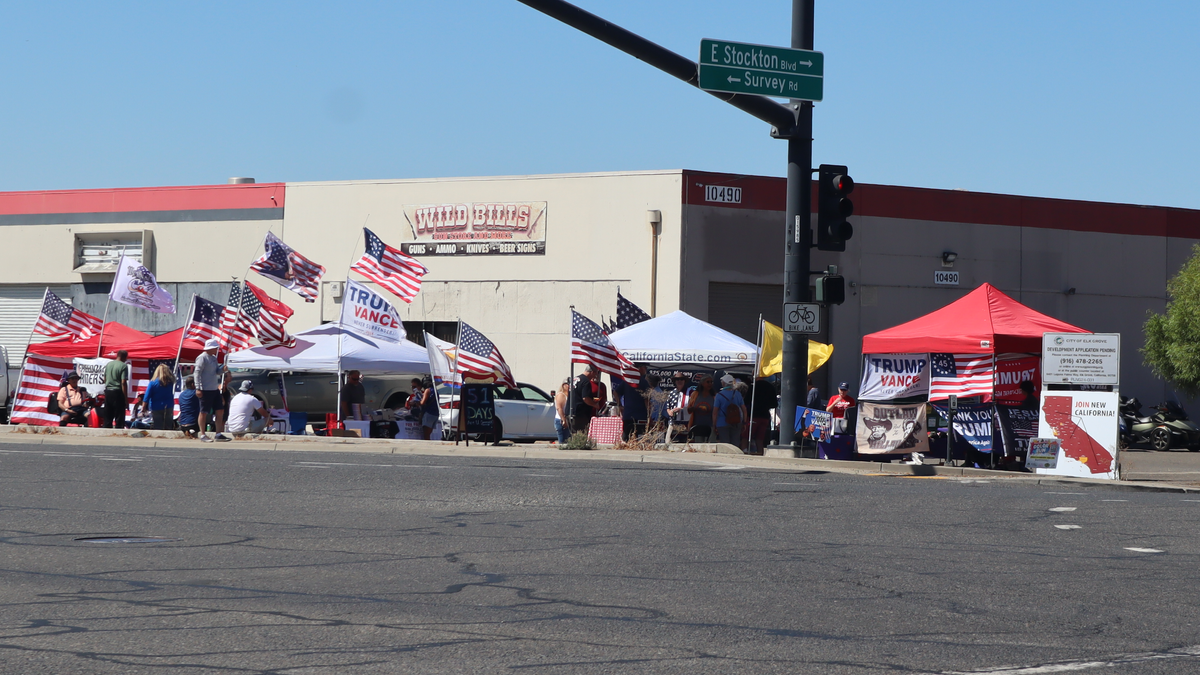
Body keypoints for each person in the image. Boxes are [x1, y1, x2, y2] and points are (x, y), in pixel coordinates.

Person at [195, 338, 229, 442]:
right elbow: (197, 373)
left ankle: (218, 433)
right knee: (204, 412)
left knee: (220, 410)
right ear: (210, 348)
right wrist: (198, 388)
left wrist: (222, 370)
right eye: (215, 348)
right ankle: (202, 434)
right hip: (205, 389)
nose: (216, 350)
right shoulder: (202, 358)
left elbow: (216, 372)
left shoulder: (214, 358)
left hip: (214, 389)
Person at [611, 365, 649, 441]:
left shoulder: (627, 381)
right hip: (640, 414)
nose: (646, 370)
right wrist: (649, 412)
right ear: (639, 369)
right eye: (645, 367)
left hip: (628, 414)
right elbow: (647, 399)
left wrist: (620, 405)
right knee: (639, 438)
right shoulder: (644, 382)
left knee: (627, 438)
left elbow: (615, 392)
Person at [713, 373, 747, 447]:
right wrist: (744, 422)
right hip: (736, 422)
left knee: (725, 445)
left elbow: (715, 412)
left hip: (722, 423)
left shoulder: (719, 395)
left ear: (724, 383)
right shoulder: (737, 394)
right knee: (735, 443)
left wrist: (714, 425)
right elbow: (744, 409)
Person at [749, 376, 778, 455]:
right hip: (765, 416)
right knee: (760, 438)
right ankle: (760, 453)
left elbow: (746, 402)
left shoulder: (752, 387)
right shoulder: (770, 387)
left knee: (747, 436)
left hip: (753, 415)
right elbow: (774, 404)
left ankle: (745, 452)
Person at [143, 364, 176, 430]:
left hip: (156, 407)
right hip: (169, 406)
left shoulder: (153, 382)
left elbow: (147, 396)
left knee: (158, 426)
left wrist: (143, 406)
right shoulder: (170, 382)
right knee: (168, 426)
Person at [102, 349, 130, 428]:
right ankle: (118, 432)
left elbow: (104, 379)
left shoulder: (109, 364)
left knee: (108, 415)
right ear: (124, 357)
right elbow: (123, 382)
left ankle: (107, 431)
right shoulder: (123, 366)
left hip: (108, 391)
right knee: (119, 416)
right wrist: (125, 399)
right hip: (117, 392)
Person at [687, 376, 716, 442]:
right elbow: (689, 409)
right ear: (702, 383)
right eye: (708, 382)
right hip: (697, 425)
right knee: (698, 445)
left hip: (710, 426)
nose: (710, 384)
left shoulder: (714, 395)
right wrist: (694, 408)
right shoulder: (695, 394)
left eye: (711, 382)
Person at [572, 366, 599, 433]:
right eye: (595, 374)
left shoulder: (575, 379)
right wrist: (594, 405)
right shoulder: (586, 381)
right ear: (592, 372)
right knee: (581, 437)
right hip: (580, 414)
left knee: (574, 436)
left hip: (570, 411)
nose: (595, 376)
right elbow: (585, 398)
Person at [666, 372, 692, 443]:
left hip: (686, 423)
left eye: (681, 379)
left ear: (684, 381)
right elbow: (667, 407)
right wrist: (670, 412)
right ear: (675, 381)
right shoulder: (672, 393)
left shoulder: (690, 392)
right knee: (669, 442)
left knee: (685, 442)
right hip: (673, 422)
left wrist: (682, 409)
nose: (679, 381)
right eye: (677, 380)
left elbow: (693, 407)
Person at [553, 379, 571, 444]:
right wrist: (564, 420)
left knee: (567, 441)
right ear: (564, 385)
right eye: (569, 385)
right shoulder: (561, 395)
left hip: (567, 420)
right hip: (561, 420)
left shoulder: (569, 395)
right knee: (563, 442)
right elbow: (559, 408)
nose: (570, 386)